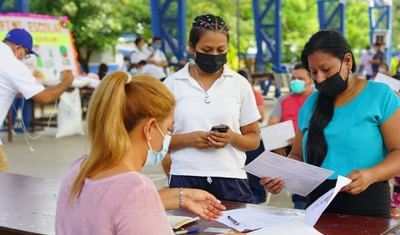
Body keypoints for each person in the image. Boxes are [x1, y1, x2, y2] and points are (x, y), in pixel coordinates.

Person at [56, 72, 226, 234]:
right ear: (150, 128)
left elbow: (113, 203)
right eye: (168, 129)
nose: (167, 138)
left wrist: (183, 196)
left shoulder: (79, 169)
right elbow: (130, 199)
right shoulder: (136, 188)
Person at [261, 30, 400, 218]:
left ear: (347, 61)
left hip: (367, 203)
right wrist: (281, 175)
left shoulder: (380, 96)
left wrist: (371, 175)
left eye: (326, 70)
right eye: (314, 72)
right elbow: (297, 155)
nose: (319, 78)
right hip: (317, 204)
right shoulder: (311, 103)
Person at [162, 14, 261, 203]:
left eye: (220, 50)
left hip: (231, 178)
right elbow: (155, 141)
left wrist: (232, 137)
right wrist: (187, 139)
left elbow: (254, 139)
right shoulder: (172, 84)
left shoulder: (239, 84)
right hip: (185, 176)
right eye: (207, 49)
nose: (215, 55)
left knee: (236, 232)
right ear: (192, 47)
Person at [0, 28, 74, 172]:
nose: (23, 59)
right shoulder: (11, 64)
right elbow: (44, 97)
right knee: (3, 185)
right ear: (18, 48)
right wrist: (66, 82)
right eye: (26, 55)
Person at [266, 63, 314, 209]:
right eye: (293, 78)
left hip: (311, 146)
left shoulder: (317, 99)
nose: (295, 81)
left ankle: (302, 201)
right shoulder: (283, 100)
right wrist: (277, 143)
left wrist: (301, 140)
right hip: (285, 146)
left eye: (300, 78)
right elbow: (272, 123)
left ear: (311, 80)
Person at [237, 69, 266, 204]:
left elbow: (261, 117)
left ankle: (258, 194)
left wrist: (246, 112)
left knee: (254, 160)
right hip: (233, 138)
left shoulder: (254, 94)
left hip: (248, 136)